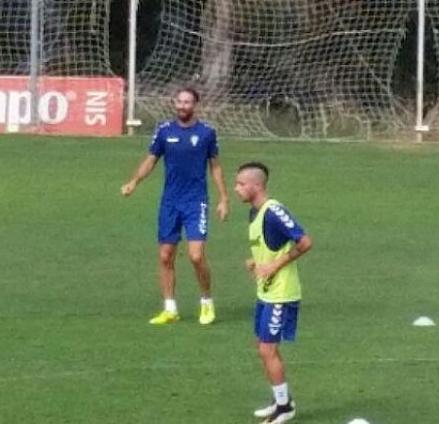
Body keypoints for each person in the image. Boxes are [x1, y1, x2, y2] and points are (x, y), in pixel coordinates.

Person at [121, 87, 229, 325]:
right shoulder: (164, 131)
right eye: (179, 101)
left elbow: (216, 166)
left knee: (196, 255)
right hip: (170, 202)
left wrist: (223, 198)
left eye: (187, 102)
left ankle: (206, 302)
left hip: (195, 202)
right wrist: (134, 182)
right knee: (165, 255)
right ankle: (170, 308)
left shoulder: (207, 133)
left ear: (195, 105)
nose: (182, 106)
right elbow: (151, 160)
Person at [233, 162, 313, 424]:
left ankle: (284, 408)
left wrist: (273, 266)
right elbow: (272, 247)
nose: (236, 190)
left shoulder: (274, 211)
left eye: (241, 184)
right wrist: (256, 263)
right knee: (262, 346)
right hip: (266, 292)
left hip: (281, 293)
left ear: (257, 185)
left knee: (268, 349)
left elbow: (305, 242)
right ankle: (280, 399)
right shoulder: (254, 213)